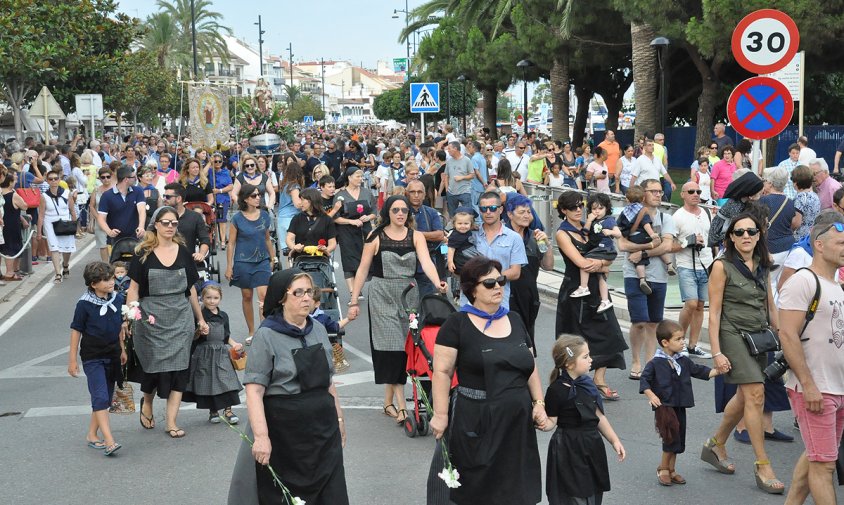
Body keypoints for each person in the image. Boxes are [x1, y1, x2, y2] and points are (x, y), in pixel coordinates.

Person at [428, 257, 546, 505]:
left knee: (516, 486)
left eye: (500, 281)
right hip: (477, 419)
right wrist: (440, 414)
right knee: (479, 488)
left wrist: (539, 403)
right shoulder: (457, 324)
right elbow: (442, 372)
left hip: (516, 422)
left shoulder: (514, 318)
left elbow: (530, 365)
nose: (498, 287)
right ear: (472, 289)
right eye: (490, 283)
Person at [230, 269, 349, 505]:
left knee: (332, 495)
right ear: (282, 298)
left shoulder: (318, 330)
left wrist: (339, 419)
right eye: (298, 292)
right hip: (286, 435)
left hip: (323, 431)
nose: (306, 298)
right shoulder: (267, 335)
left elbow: (328, 382)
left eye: (309, 292)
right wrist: (262, 437)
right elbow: (254, 391)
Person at [702, 211, 785, 494]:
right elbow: (713, 314)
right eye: (739, 232)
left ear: (759, 235)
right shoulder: (721, 267)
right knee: (755, 394)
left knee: (742, 397)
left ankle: (715, 444)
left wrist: (782, 335)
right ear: (730, 237)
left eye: (751, 231)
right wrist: (716, 352)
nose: (745, 236)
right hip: (733, 335)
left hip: (760, 336)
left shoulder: (763, 263)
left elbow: (770, 303)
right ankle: (763, 464)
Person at [348, 195, 446, 425]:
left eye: (404, 210)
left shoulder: (417, 236)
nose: (401, 213)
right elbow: (362, 270)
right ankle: (403, 407)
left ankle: (388, 402)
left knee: (409, 347)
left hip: (409, 295)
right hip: (382, 294)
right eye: (395, 210)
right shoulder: (375, 237)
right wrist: (353, 301)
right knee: (391, 348)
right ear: (387, 213)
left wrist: (437, 282)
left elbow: (426, 262)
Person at [127, 206, 208, 439]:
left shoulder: (184, 252)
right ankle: (148, 403)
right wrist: (131, 316)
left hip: (180, 318)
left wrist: (200, 318)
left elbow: (191, 288)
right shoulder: (142, 253)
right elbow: (133, 290)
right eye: (166, 223)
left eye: (174, 223)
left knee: (180, 369)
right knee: (153, 368)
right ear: (156, 225)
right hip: (151, 319)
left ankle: (171, 421)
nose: (170, 227)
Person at [780, 219, 844, 505]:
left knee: (817, 455)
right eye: (840, 243)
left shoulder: (837, 286)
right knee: (824, 465)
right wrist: (808, 385)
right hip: (816, 388)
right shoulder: (803, 281)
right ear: (819, 245)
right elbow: (788, 335)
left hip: (838, 388)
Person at [554, 191, 628, 401]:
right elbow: (581, 263)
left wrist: (603, 263)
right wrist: (601, 264)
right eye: (573, 207)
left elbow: (609, 254)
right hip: (575, 292)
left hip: (597, 289)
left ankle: (599, 379)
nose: (578, 210)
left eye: (580, 206)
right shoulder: (562, 233)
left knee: (609, 333)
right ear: (563, 211)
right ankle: (577, 382)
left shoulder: (593, 225)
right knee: (576, 341)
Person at [544, 334, 625, 504]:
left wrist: (614, 440)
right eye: (585, 356)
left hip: (591, 444)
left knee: (594, 490)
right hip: (568, 448)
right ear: (569, 363)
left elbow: (598, 416)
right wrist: (540, 421)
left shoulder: (588, 385)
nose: (591, 360)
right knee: (573, 494)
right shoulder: (556, 390)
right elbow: (552, 421)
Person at [640, 320, 719, 486]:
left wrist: (718, 371)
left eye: (683, 338)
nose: (683, 342)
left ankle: (672, 469)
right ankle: (663, 468)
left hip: (680, 404)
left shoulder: (683, 360)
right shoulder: (655, 362)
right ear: (665, 342)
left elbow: (699, 371)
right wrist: (651, 395)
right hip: (665, 406)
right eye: (678, 339)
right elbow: (645, 380)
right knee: (670, 437)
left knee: (678, 437)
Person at [67, 261, 126, 457]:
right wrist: (72, 360)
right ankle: (109, 441)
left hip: (113, 354)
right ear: (93, 284)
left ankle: (92, 434)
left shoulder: (117, 299)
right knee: (100, 396)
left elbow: (119, 328)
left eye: (111, 278)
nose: (111, 282)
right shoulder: (84, 304)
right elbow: (76, 330)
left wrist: (123, 350)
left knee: (106, 399)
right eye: (106, 280)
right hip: (93, 356)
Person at [619, 179, 676, 381]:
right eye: (654, 191)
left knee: (653, 322)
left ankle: (650, 362)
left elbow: (667, 246)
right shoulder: (628, 214)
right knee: (639, 321)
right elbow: (623, 245)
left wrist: (642, 251)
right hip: (634, 274)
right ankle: (636, 360)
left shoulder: (665, 217)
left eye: (660, 191)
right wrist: (649, 247)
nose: (659, 195)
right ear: (643, 194)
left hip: (658, 275)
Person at [183, 283, 243, 425]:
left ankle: (228, 411)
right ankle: (213, 411)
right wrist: (199, 331)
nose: (212, 301)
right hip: (204, 354)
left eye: (215, 298)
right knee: (208, 382)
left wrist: (234, 344)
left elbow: (226, 335)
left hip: (221, 353)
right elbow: (193, 337)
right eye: (208, 297)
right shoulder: (200, 316)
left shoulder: (224, 316)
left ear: (220, 298)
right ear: (202, 298)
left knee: (227, 379)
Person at [226, 184, 275, 343]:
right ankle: (252, 331)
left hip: (262, 260)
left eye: (259, 194)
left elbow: (267, 238)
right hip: (243, 261)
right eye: (254, 195)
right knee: (247, 296)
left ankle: (264, 331)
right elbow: (231, 243)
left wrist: (272, 258)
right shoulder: (237, 218)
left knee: (264, 296)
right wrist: (229, 266)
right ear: (245, 199)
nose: (258, 197)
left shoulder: (265, 216)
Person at [504, 194, 555, 348]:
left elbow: (548, 265)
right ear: (509, 214)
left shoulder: (535, 237)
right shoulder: (502, 236)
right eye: (521, 212)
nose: (526, 215)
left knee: (527, 343)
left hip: (529, 298)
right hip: (506, 297)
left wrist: (547, 244)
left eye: (529, 212)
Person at [672, 182, 713, 358]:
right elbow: (669, 244)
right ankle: (678, 341)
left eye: (698, 191)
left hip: (706, 262)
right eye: (691, 191)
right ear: (683, 194)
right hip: (686, 265)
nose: (695, 194)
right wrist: (686, 242)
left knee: (700, 305)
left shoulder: (706, 212)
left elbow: (711, 238)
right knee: (690, 303)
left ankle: (693, 345)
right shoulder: (677, 216)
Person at [570, 192, 621, 313]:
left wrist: (610, 232)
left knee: (586, 263)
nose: (597, 211)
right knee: (601, 276)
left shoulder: (608, 220)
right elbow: (585, 232)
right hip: (598, 249)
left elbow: (618, 234)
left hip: (605, 249)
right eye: (594, 209)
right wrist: (589, 220)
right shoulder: (592, 221)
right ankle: (605, 300)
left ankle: (583, 287)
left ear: (607, 208)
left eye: (600, 208)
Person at [333, 167, 376, 292]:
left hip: (364, 231)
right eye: (357, 176)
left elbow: (374, 211)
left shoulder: (367, 192)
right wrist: (351, 221)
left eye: (361, 177)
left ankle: (358, 287)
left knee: (364, 259)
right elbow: (335, 217)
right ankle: (353, 292)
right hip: (346, 232)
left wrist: (368, 217)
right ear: (349, 177)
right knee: (349, 260)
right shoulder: (340, 195)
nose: (360, 179)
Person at [617, 185, 663, 294]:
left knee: (639, 262)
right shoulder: (642, 210)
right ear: (643, 199)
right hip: (644, 236)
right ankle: (669, 263)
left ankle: (642, 278)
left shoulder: (624, 212)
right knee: (660, 246)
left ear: (627, 199)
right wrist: (652, 235)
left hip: (632, 238)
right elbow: (646, 224)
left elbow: (618, 226)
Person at [760, 167, 800, 287]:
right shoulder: (790, 202)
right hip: (788, 247)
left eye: (766, 181)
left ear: (771, 183)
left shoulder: (763, 201)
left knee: (768, 282)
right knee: (783, 284)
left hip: (770, 247)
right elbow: (794, 223)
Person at [406, 179, 446, 296]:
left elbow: (439, 235)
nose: (416, 195)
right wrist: (428, 235)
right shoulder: (401, 212)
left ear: (424, 195)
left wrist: (415, 235)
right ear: (407, 193)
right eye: (412, 192)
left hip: (426, 265)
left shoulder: (431, 212)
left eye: (419, 192)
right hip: (405, 265)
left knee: (427, 302)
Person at [38, 170, 77, 284]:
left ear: (59, 180)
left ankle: (65, 264)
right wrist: (39, 232)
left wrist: (75, 225)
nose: (54, 181)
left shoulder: (66, 193)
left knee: (67, 248)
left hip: (65, 221)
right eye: (51, 179)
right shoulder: (44, 196)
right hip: (50, 222)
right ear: (47, 181)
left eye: (56, 178)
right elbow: (41, 215)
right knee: (54, 248)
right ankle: (58, 273)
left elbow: (72, 210)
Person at [707, 170, 764, 248]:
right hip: (721, 236)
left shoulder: (741, 200)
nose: (760, 195)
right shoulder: (734, 205)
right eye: (758, 193)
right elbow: (737, 227)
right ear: (750, 194)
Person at [162, 183, 211, 268]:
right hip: (163, 263)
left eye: (168, 197)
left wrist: (201, 254)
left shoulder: (195, 217)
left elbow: (205, 239)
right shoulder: (159, 216)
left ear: (178, 199)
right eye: (164, 196)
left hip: (187, 264)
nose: (164, 199)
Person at [97, 166, 146, 243]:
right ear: (126, 179)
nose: (136, 178)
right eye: (133, 177)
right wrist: (109, 231)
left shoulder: (138, 191)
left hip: (135, 238)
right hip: (115, 240)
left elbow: (142, 210)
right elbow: (101, 218)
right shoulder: (107, 196)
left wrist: (141, 227)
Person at [286, 188, 337, 259]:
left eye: (302, 200)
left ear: (311, 201)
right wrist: (294, 247)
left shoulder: (327, 219)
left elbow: (332, 242)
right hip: (300, 258)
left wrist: (326, 250)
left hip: (321, 259)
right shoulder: (297, 218)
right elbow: (289, 238)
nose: (300, 203)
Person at [276, 162, 304, 256]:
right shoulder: (294, 186)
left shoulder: (285, 186)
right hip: (291, 218)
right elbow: (297, 204)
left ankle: (290, 270)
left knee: (289, 252)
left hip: (282, 218)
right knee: (296, 250)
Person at [90, 166, 115, 261]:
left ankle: (116, 266)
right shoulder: (96, 190)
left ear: (111, 176)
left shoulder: (116, 189)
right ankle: (106, 266)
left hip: (114, 220)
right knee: (103, 245)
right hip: (100, 222)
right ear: (100, 178)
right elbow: (92, 206)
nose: (106, 179)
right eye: (103, 177)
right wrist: (98, 218)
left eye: (108, 176)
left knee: (114, 244)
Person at [443, 141, 474, 217]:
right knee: (452, 215)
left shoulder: (467, 160)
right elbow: (446, 175)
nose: (448, 150)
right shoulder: (449, 161)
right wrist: (447, 188)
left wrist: (462, 177)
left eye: (449, 149)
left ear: (455, 149)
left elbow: (472, 175)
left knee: (467, 213)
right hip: (451, 192)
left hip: (465, 191)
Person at [791, 165, 820, 241]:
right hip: (812, 235)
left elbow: (797, 223)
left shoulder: (800, 198)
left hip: (800, 237)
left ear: (796, 182)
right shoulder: (815, 195)